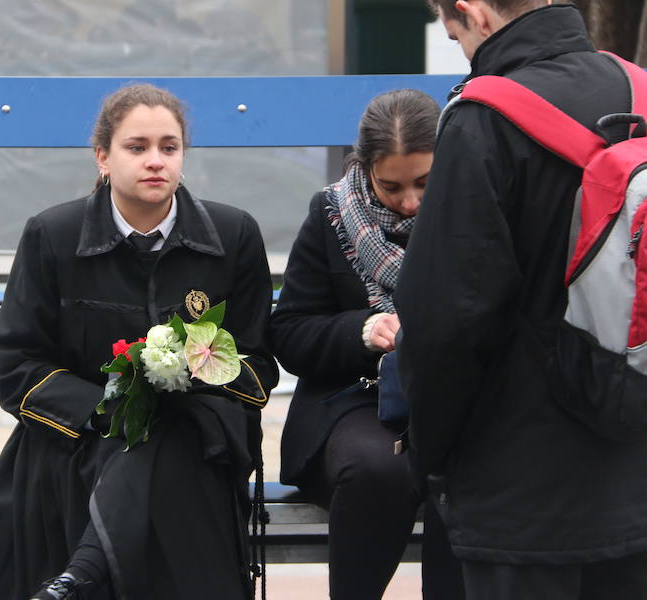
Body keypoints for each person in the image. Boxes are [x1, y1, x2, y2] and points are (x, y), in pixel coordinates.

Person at [0, 83, 279, 600]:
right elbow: (16, 364)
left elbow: (258, 366)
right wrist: (112, 411)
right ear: (103, 157)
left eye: (169, 147)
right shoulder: (53, 235)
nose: (155, 161)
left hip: (201, 429)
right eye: (136, 148)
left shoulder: (234, 235)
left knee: (173, 441)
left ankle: (82, 576)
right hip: (80, 432)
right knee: (143, 456)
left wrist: (195, 366)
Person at [395, 1, 647, 598]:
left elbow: (446, 322)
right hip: (635, 468)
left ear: (472, 12)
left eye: (455, 36)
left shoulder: (485, 117)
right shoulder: (637, 91)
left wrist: (428, 451)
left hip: (522, 488)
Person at [269, 89, 465, 599]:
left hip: (455, 397)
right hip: (356, 399)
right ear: (364, 166)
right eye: (391, 186)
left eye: (425, 182)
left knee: (465, 472)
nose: (410, 201)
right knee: (380, 469)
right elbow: (289, 332)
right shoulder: (331, 214)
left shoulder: (472, 213)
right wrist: (361, 330)